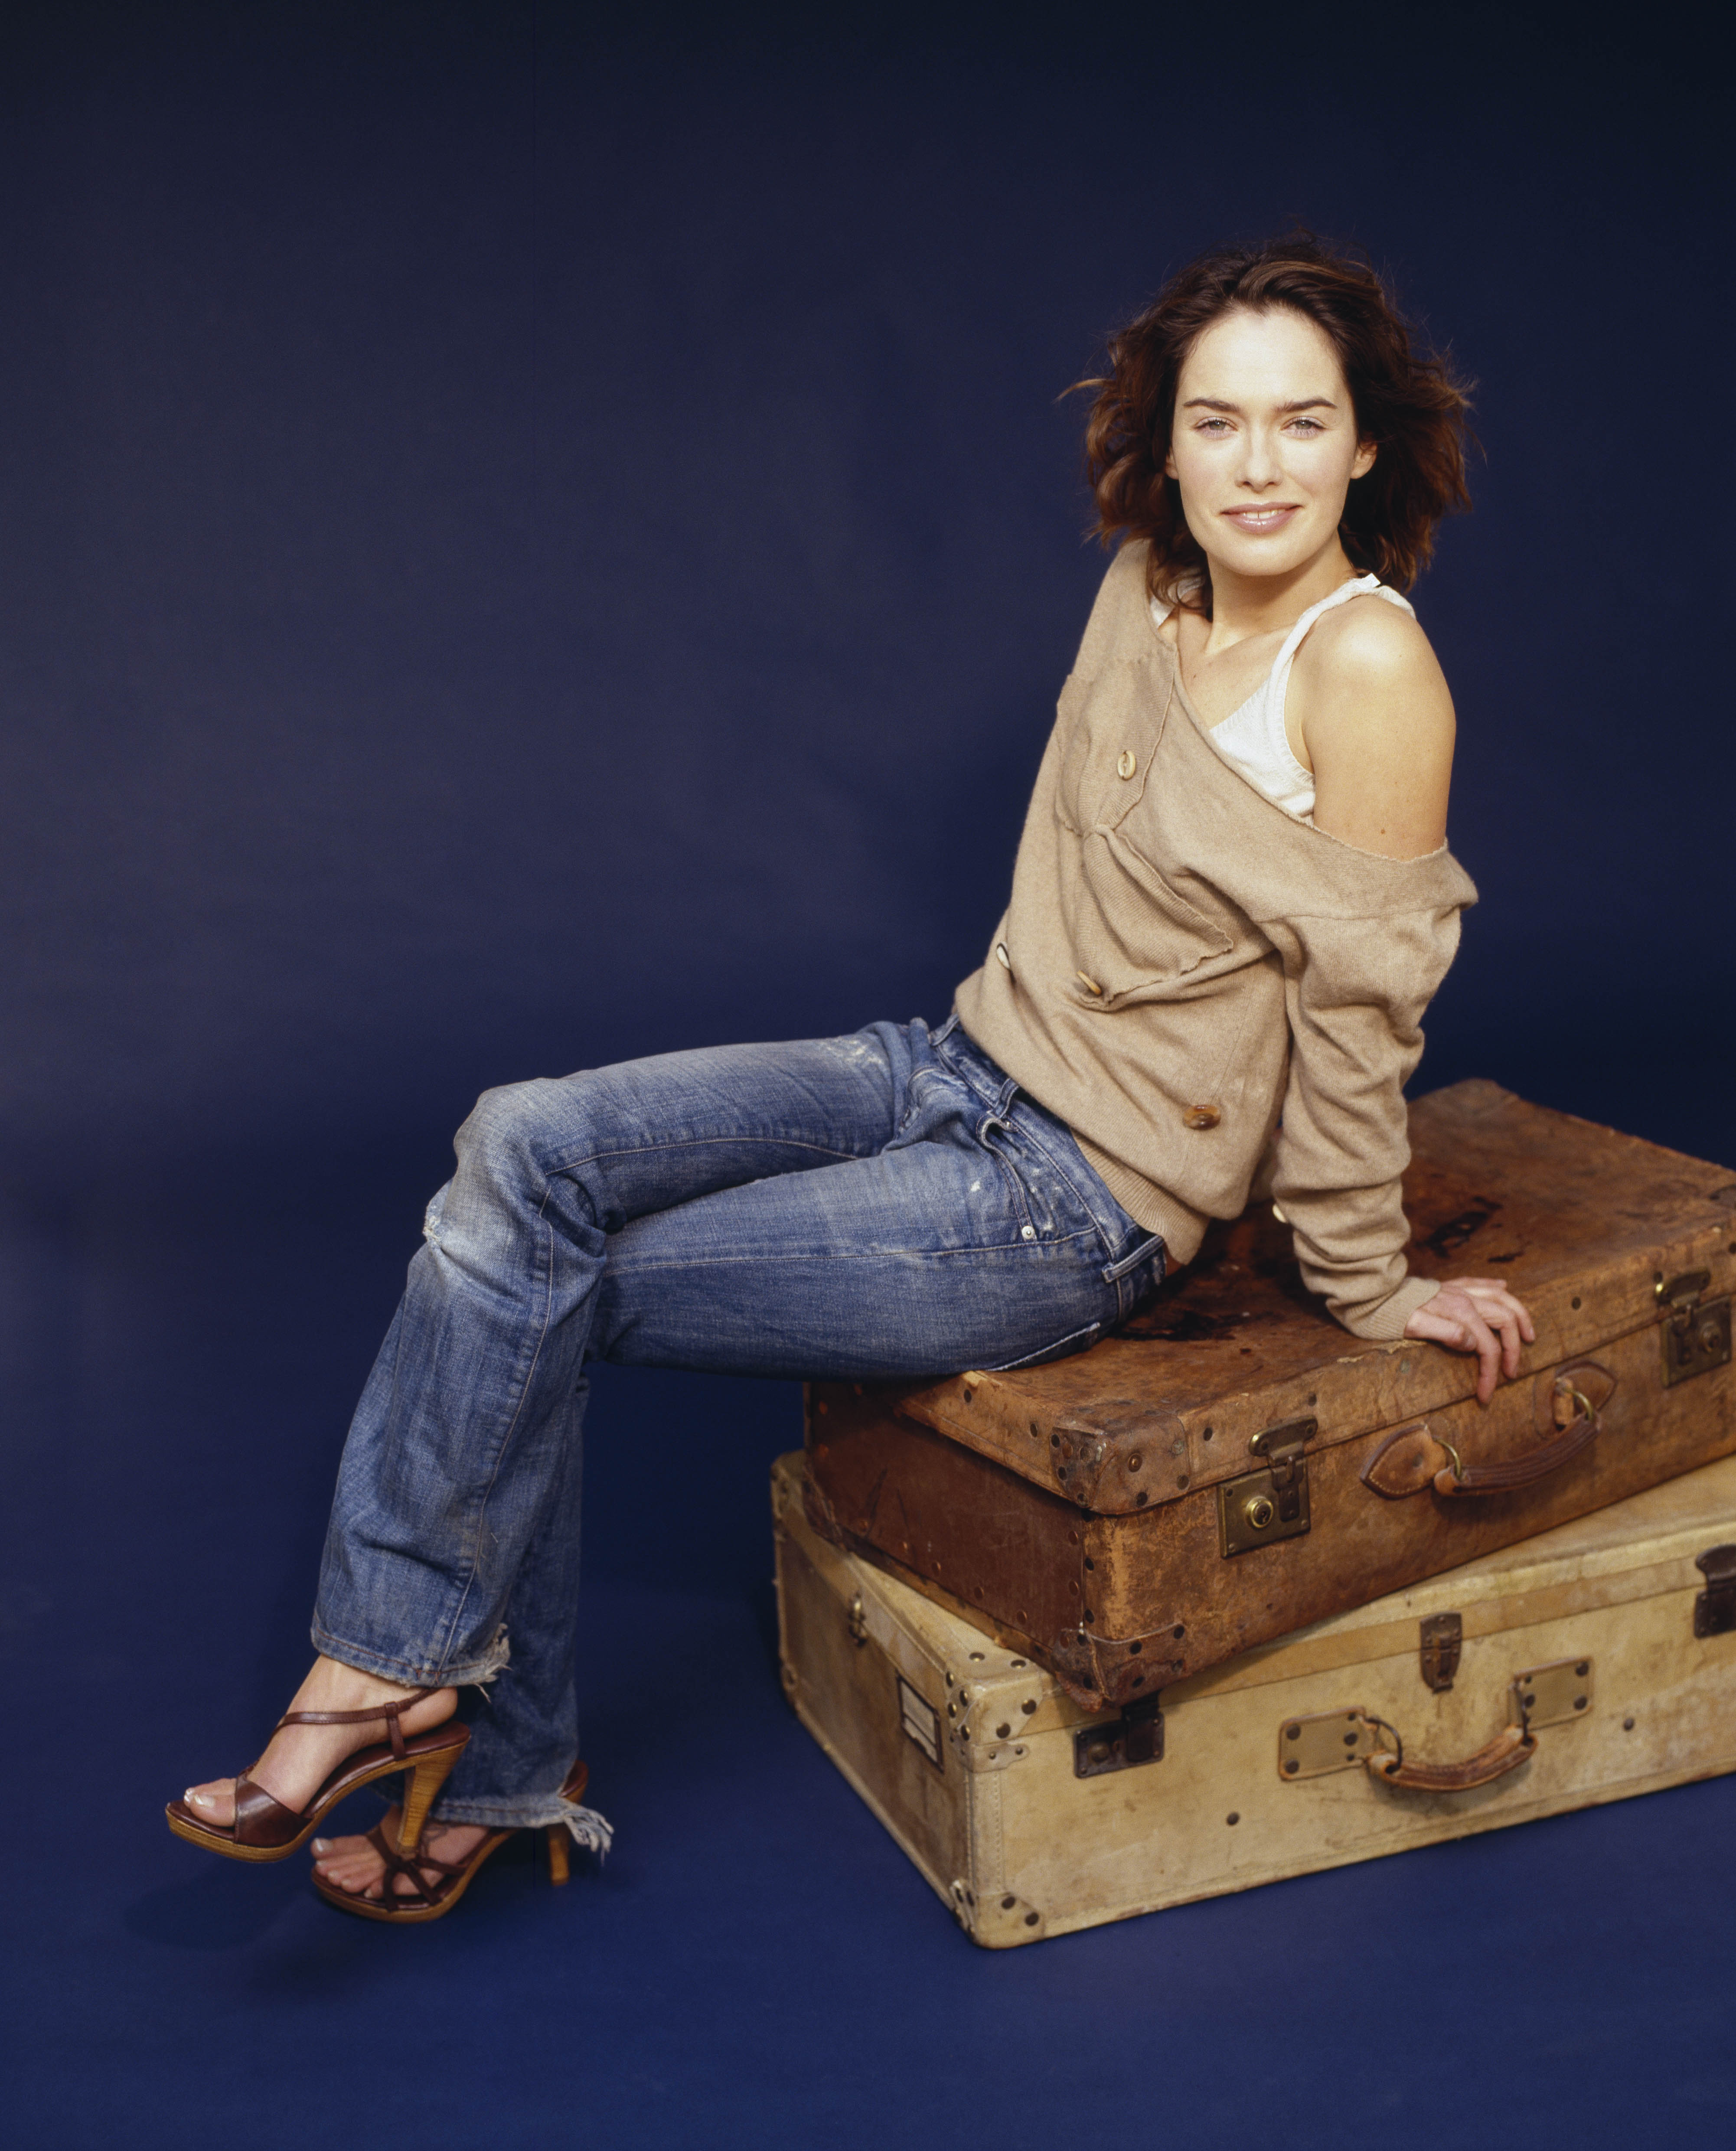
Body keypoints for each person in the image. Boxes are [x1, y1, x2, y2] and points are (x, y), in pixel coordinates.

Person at [167, 232, 1535, 1919]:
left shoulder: (1366, 667)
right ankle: (456, 1721)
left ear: (1365, 443)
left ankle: (413, 1702)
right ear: (1166, 443)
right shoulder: (1146, 582)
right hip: (949, 1061)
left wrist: (1367, 1275)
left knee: (530, 1287)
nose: (1258, 465)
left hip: (1077, 1196)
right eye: (1218, 421)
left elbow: (1357, 1017)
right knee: (517, 1146)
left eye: (1301, 422)